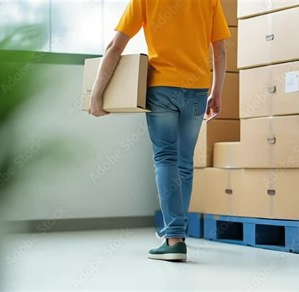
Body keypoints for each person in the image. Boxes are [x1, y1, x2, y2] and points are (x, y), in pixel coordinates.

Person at [88, 0, 230, 262]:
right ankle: (176, 235)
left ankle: (174, 239)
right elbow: (219, 49)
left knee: (166, 158)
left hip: (162, 88)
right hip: (197, 90)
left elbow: (115, 46)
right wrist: (216, 91)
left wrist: (96, 94)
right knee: (185, 163)